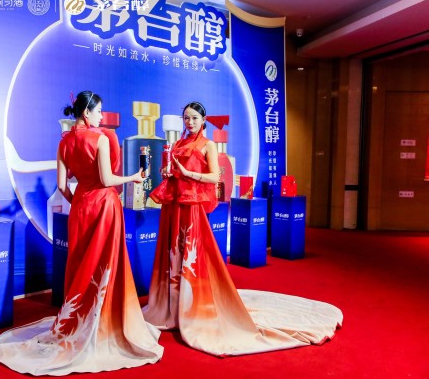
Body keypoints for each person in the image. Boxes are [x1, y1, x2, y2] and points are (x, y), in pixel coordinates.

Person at [143, 101, 342, 356]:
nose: (189, 122)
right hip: (174, 206)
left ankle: (192, 303)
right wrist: (170, 173)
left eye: (194, 118)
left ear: (203, 120)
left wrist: (187, 174)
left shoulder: (208, 145)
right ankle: (171, 303)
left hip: (191, 207)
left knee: (191, 254)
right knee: (173, 254)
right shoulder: (179, 144)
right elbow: (177, 173)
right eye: (186, 118)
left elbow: (215, 177)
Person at [0, 91, 163, 375]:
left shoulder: (64, 142)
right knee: (105, 264)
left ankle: (78, 318)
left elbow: (61, 186)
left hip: (81, 206)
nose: (101, 117)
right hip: (104, 205)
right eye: (99, 111)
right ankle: (105, 321)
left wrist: (79, 202)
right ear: (86, 113)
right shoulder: (101, 139)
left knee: (82, 263)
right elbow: (107, 179)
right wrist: (133, 177)